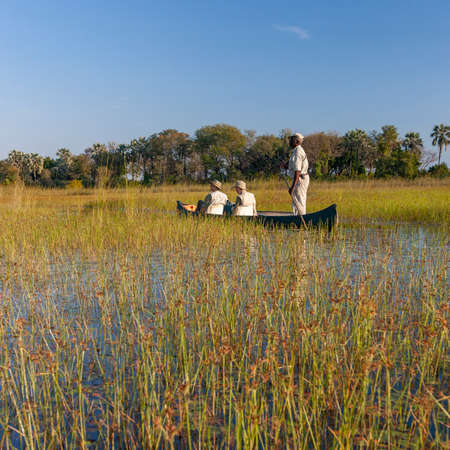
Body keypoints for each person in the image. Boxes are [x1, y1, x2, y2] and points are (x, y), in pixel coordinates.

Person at [282, 132, 309, 215]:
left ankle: (301, 219)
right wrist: (285, 166)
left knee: (299, 201)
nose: (290, 141)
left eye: (292, 139)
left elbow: (297, 171)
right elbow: (293, 166)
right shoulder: (295, 151)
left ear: (297, 141)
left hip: (300, 179)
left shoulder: (297, 153)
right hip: (299, 178)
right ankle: (297, 217)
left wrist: (292, 187)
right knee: (296, 201)